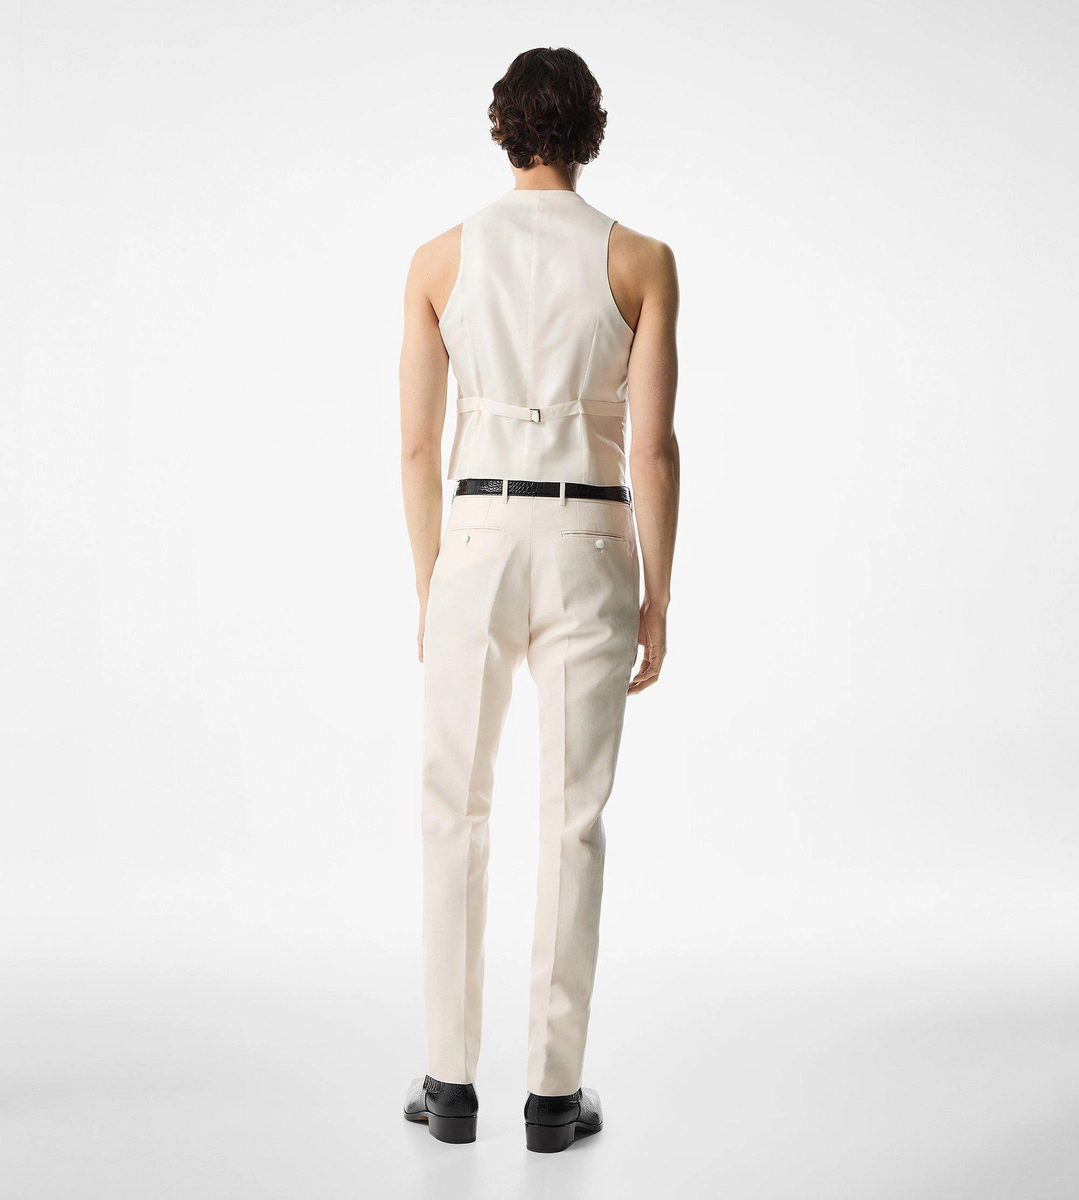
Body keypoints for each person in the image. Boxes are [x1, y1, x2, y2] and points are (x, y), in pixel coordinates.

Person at [399, 46, 679, 1153]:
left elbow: (416, 445)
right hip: (589, 531)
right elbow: (651, 448)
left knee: (452, 805)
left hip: (473, 536)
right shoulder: (641, 260)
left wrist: (431, 583)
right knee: (572, 816)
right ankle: (553, 1098)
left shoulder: (437, 259)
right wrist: (659, 595)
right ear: (591, 130)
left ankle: (448, 1082)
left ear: (503, 128)